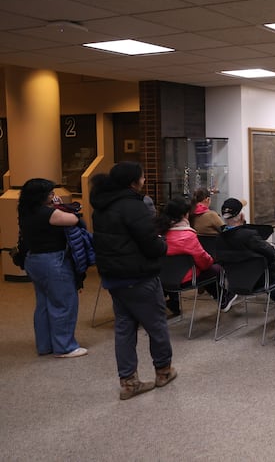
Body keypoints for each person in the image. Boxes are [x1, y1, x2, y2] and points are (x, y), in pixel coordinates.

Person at [91, 161, 177, 400]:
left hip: (114, 277)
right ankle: (163, 371)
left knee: (124, 328)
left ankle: (129, 382)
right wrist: (162, 244)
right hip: (139, 276)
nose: (144, 180)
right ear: (132, 181)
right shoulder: (133, 206)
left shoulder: (101, 206)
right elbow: (149, 243)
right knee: (156, 325)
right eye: (142, 177)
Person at [18, 178, 85, 358]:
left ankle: (45, 345)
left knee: (44, 304)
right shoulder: (48, 214)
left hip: (34, 260)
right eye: (50, 193)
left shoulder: (25, 211)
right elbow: (73, 219)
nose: (53, 195)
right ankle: (65, 346)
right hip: (53, 261)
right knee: (63, 303)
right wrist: (60, 206)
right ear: (41, 196)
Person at [217, 198, 275, 312]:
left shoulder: (219, 239)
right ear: (241, 215)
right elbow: (271, 254)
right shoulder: (248, 235)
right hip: (259, 281)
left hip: (234, 283)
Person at [155, 197, 234, 314]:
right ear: (184, 215)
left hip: (163, 279)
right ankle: (223, 299)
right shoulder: (187, 235)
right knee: (215, 269)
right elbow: (204, 261)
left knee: (203, 271)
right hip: (185, 279)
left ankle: (222, 299)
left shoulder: (159, 233)